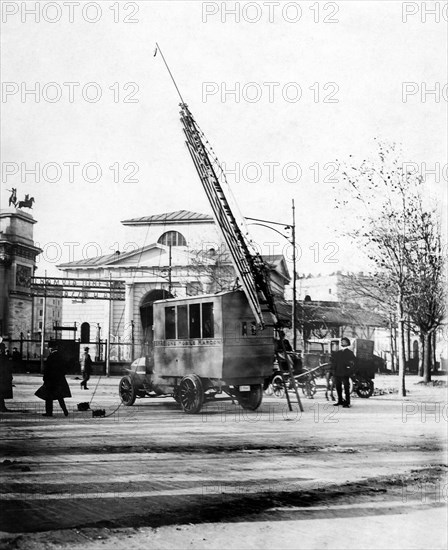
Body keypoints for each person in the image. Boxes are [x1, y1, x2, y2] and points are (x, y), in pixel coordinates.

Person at [35, 343, 71, 417]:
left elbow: (47, 370)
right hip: (59, 380)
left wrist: (45, 378)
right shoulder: (61, 357)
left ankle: (49, 412)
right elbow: (65, 368)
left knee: (48, 397)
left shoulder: (50, 357)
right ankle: (65, 410)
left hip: (51, 380)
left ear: (51, 349)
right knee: (60, 396)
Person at [331, 337, 355, 408]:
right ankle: (340, 401)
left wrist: (349, 371)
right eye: (341, 341)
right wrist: (333, 371)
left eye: (343, 341)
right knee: (338, 387)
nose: (342, 343)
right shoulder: (338, 353)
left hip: (345, 373)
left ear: (347, 343)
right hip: (337, 373)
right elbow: (334, 363)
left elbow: (353, 363)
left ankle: (347, 402)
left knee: (346, 387)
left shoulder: (350, 353)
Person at [0, 348, 13, 412]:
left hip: (3, 378)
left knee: (1, 394)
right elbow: (8, 368)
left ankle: (2, 407)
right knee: (1, 393)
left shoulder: (4, 357)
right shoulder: (4, 357)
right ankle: (2, 407)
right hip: (3, 378)